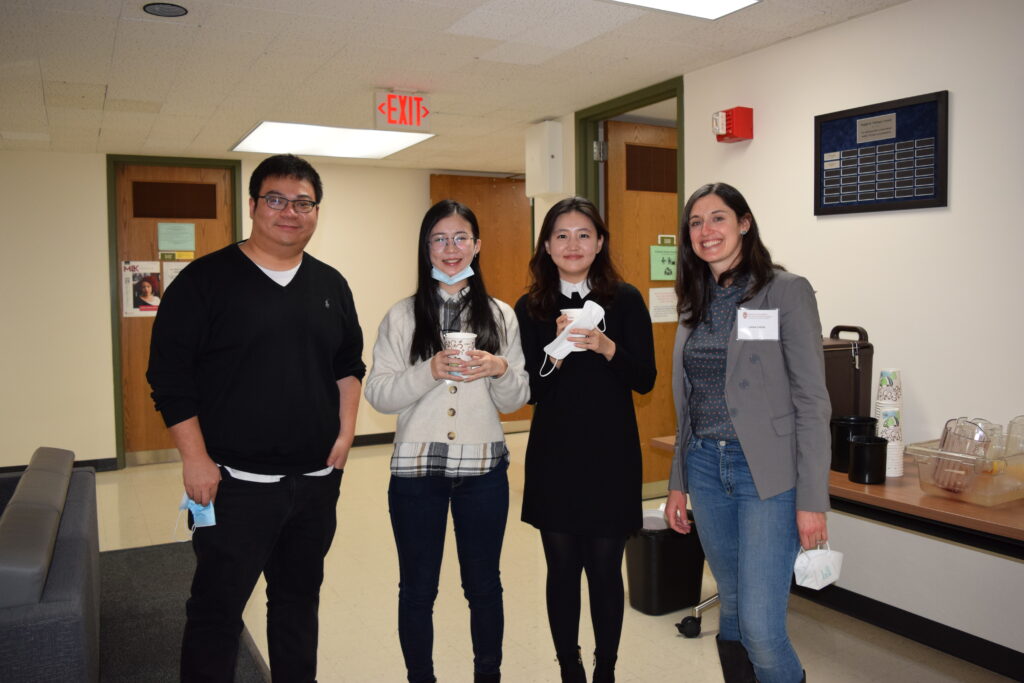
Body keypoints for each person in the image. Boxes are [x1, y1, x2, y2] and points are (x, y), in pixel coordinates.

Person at [146, 154, 365, 683]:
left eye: (303, 203)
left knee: (297, 603)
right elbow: (169, 378)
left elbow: (348, 366)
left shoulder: (330, 284)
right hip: (233, 485)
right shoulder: (205, 281)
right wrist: (195, 460)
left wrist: (345, 434)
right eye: (276, 200)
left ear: (316, 211)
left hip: (314, 484)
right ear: (252, 205)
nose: (290, 212)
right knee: (216, 612)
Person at [664, 182, 830, 683]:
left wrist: (812, 499)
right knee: (732, 606)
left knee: (760, 627)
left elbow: (812, 400)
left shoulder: (785, 290)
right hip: (704, 466)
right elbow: (688, 401)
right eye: (695, 222)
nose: (706, 231)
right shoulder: (694, 297)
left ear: (744, 223)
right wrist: (678, 482)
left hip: (767, 473)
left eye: (718, 218)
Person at [364, 199, 528, 683]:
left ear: (477, 245)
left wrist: (499, 368)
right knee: (417, 590)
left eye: (460, 238)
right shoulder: (402, 316)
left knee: (484, 587)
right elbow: (379, 394)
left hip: (483, 473)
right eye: (439, 238)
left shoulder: (500, 315)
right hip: (417, 474)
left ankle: (488, 675)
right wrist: (429, 371)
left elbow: (515, 399)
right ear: (426, 247)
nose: (450, 248)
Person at [514, 197, 656, 683]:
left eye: (583, 235)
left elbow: (645, 379)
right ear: (546, 247)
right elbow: (528, 391)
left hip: (611, 457)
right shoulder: (531, 307)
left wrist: (607, 346)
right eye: (561, 235)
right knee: (561, 570)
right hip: (554, 457)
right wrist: (554, 352)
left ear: (599, 243)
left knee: (604, 569)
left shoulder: (625, 300)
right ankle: (569, 667)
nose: (572, 245)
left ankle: (606, 669)